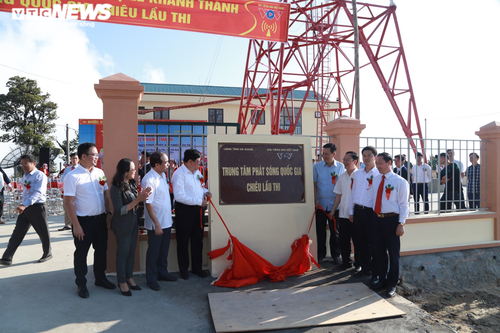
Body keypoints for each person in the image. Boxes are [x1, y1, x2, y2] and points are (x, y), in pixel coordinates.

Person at [64, 143, 115, 299]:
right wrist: (76, 225)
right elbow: (68, 202)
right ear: (84, 156)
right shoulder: (72, 176)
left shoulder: (99, 172)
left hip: (100, 219)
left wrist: (108, 213)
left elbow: (106, 194)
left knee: (101, 251)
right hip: (83, 222)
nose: (97, 158)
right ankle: (81, 283)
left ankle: (100, 278)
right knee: (81, 253)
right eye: (94, 155)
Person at [110, 158, 152, 296]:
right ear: (125, 171)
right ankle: (121, 281)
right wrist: (137, 200)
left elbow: (136, 203)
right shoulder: (116, 188)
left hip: (133, 223)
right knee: (123, 254)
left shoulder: (131, 184)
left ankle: (129, 277)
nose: (136, 171)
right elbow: (120, 210)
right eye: (133, 169)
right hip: (122, 225)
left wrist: (141, 197)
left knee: (131, 252)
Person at [0, 154, 52, 266]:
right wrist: (23, 205)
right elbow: (26, 192)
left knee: (43, 233)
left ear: (34, 163)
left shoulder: (40, 175)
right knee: (17, 233)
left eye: (25, 163)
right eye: (21, 163)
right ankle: (7, 257)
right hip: (25, 208)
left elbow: (38, 193)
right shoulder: (25, 176)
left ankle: (47, 253)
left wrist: (24, 204)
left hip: (37, 207)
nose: (23, 166)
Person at [370, 152, 409, 297]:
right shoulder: (375, 179)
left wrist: (401, 223)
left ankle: (392, 284)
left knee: (393, 253)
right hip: (377, 219)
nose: (377, 165)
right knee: (378, 252)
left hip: (392, 220)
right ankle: (382, 280)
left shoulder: (399, 181)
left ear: (389, 163)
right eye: (377, 163)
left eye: (380, 162)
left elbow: (404, 204)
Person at [172, 149, 212, 280]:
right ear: (190, 161)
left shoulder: (196, 172)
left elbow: (199, 187)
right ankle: (183, 269)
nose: (200, 164)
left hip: (198, 210)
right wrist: (199, 201)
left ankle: (197, 268)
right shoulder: (179, 174)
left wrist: (205, 192)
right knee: (183, 240)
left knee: (198, 239)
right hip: (185, 211)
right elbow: (179, 197)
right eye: (198, 162)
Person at [142, 151, 178, 291]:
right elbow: (149, 204)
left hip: (166, 221)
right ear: (157, 164)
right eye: (166, 162)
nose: (168, 164)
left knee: (163, 252)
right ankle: (151, 278)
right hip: (156, 224)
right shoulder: (149, 179)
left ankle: (162, 273)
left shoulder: (162, 176)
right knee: (154, 253)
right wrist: (157, 224)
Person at [349, 146, 379, 282]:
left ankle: (375, 272)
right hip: (358, 211)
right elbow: (353, 193)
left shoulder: (378, 174)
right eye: (364, 155)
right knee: (360, 242)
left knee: (373, 242)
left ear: (375, 157)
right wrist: (351, 212)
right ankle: (364, 269)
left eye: (369, 155)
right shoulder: (358, 174)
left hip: (371, 212)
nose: (366, 158)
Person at [313, 143, 345, 264]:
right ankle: (321, 254)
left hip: (335, 206)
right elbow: (315, 185)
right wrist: (315, 199)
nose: (324, 156)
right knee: (320, 231)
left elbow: (341, 187)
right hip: (320, 206)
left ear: (333, 154)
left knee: (335, 232)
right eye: (323, 153)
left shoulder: (341, 167)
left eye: (327, 154)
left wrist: (334, 208)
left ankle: (335, 255)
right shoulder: (317, 167)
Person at [330, 151, 358, 270]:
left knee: (357, 241)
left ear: (355, 161)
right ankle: (346, 262)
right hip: (343, 214)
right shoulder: (342, 176)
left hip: (356, 214)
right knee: (343, 240)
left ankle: (359, 264)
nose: (344, 162)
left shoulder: (360, 176)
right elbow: (338, 195)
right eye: (344, 159)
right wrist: (332, 210)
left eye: (347, 159)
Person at [58, 153, 79, 231]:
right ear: (70, 159)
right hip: (68, 191)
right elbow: (62, 180)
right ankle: (67, 224)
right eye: (73, 158)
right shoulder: (67, 169)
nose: (74, 160)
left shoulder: (80, 168)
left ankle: (77, 223)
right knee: (66, 207)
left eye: (76, 158)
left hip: (78, 191)